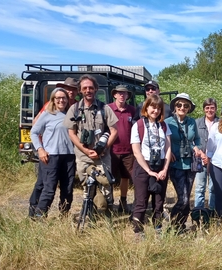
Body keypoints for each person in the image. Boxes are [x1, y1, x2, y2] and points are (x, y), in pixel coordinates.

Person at [63, 75, 118, 213]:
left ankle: (107, 212)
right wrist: (85, 151)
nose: (88, 90)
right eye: (85, 88)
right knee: (87, 187)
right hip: (83, 157)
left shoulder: (105, 109)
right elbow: (72, 133)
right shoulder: (74, 109)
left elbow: (114, 131)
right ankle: (90, 214)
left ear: (96, 89)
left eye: (91, 88)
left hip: (102, 157)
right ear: (80, 90)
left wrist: (103, 148)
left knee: (105, 186)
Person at [29, 88, 75, 218]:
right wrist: (40, 149)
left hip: (69, 156)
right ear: (53, 100)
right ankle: (39, 216)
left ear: (67, 99)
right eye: (58, 98)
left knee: (68, 188)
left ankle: (64, 215)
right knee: (49, 188)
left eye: (64, 98)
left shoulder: (71, 114)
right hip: (51, 156)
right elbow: (34, 132)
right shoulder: (47, 114)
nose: (61, 100)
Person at [130, 95, 172, 236]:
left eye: (158, 108)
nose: (156, 110)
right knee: (141, 201)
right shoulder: (138, 125)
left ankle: (158, 229)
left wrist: (164, 169)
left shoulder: (164, 126)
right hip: (143, 166)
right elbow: (136, 151)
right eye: (153, 107)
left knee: (159, 202)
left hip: (160, 166)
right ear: (146, 108)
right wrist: (148, 171)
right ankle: (138, 231)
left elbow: (168, 148)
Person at [165, 93, 201, 232]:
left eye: (186, 105)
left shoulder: (192, 122)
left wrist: (196, 147)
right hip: (176, 165)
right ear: (175, 106)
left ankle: (181, 225)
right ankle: (173, 224)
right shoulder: (168, 122)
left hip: (190, 164)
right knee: (184, 198)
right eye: (179, 105)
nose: (182, 107)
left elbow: (196, 139)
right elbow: (162, 141)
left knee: (187, 196)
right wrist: (169, 152)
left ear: (189, 108)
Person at [108, 85, 136, 214]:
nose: (122, 95)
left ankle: (123, 202)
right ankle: (109, 202)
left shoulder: (132, 110)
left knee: (125, 177)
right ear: (114, 95)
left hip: (128, 151)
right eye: (119, 93)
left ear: (127, 96)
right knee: (109, 178)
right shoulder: (108, 109)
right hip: (111, 150)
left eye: (124, 93)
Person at [194, 98, 219, 211]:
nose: (210, 110)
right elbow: (192, 140)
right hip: (200, 159)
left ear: (216, 109)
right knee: (200, 188)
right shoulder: (197, 122)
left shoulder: (221, 123)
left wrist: (211, 157)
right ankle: (198, 211)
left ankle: (212, 211)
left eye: (212, 108)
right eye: (207, 108)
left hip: (215, 161)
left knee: (213, 188)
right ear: (204, 109)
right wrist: (201, 153)